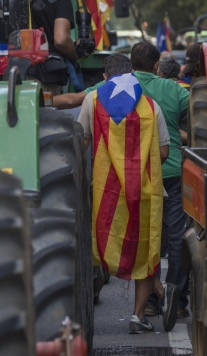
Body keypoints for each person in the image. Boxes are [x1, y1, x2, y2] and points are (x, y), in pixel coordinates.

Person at [55, 43, 191, 319]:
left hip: (106, 189)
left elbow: (82, 144)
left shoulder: (92, 100)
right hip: (149, 187)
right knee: (149, 246)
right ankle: (141, 314)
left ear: (105, 76)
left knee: (107, 242)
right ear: (131, 73)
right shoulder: (151, 105)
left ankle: (161, 296)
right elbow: (164, 152)